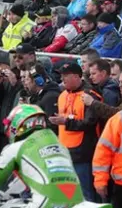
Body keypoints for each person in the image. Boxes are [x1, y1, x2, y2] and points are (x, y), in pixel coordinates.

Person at [0, 105, 84, 208]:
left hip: (45, 203)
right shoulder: (61, 147)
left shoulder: (16, 148)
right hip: (76, 202)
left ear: (17, 123)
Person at [49, 62, 101, 202]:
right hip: (64, 154)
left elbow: (90, 124)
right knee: (66, 194)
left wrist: (66, 122)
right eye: (62, 76)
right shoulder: (62, 95)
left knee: (85, 195)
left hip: (83, 155)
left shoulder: (90, 96)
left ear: (78, 77)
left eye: (67, 76)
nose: (63, 79)